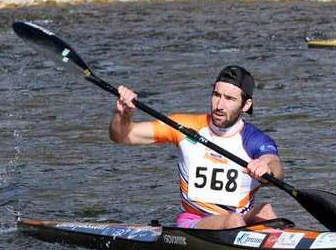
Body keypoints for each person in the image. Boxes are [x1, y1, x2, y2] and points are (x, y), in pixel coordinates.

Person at [109, 65, 283, 230]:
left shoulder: (255, 140)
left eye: (229, 99)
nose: (219, 105)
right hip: (194, 222)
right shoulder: (184, 127)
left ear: (246, 105)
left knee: (265, 210)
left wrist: (265, 167)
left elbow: (275, 165)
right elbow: (123, 135)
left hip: (240, 220)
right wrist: (123, 114)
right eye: (216, 95)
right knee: (233, 220)